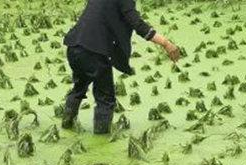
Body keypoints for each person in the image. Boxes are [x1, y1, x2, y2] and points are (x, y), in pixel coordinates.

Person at [62, 0, 181, 134]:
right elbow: (138, 25)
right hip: (95, 52)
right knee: (106, 99)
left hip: (74, 47)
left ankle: (66, 125)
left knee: (79, 88)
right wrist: (166, 43)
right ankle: (101, 139)